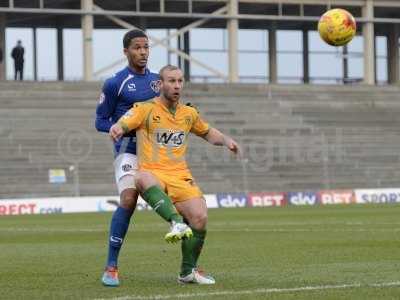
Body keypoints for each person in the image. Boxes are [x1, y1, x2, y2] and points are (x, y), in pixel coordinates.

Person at [110, 65, 241, 285]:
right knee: (140, 178)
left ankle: (187, 273)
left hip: (180, 174)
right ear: (160, 84)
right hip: (153, 171)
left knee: (200, 217)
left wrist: (227, 141)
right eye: (171, 81)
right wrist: (118, 127)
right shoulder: (145, 108)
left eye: (180, 81)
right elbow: (125, 121)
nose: (177, 85)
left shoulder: (188, 114)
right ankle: (176, 222)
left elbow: (207, 132)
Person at [95, 29, 186, 287]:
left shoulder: (160, 81)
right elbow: (100, 120)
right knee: (128, 198)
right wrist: (119, 126)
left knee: (185, 201)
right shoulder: (115, 83)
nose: (143, 52)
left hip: (159, 153)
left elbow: (171, 110)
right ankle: (111, 266)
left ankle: (189, 266)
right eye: (137, 47)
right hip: (128, 150)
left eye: (146, 47)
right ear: (126, 51)